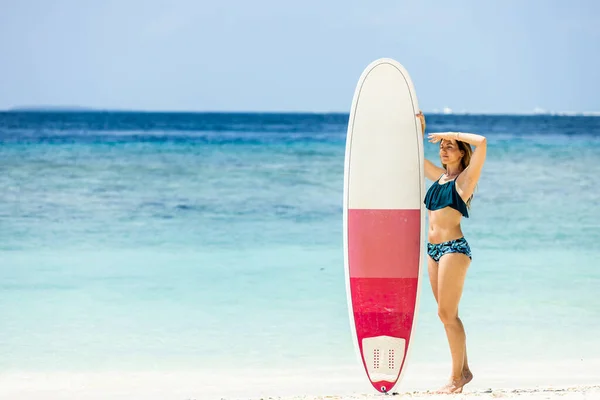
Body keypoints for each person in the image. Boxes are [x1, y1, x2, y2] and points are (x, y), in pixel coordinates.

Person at [417, 111, 487, 394]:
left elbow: (482, 142)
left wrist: (453, 133)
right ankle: (465, 371)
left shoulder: (464, 182)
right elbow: (416, 160)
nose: (444, 150)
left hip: (453, 250)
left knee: (447, 315)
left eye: (449, 147)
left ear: (460, 152)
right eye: (441, 147)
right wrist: (418, 129)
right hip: (433, 250)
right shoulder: (440, 179)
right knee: (446, 314)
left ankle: (456, 378)